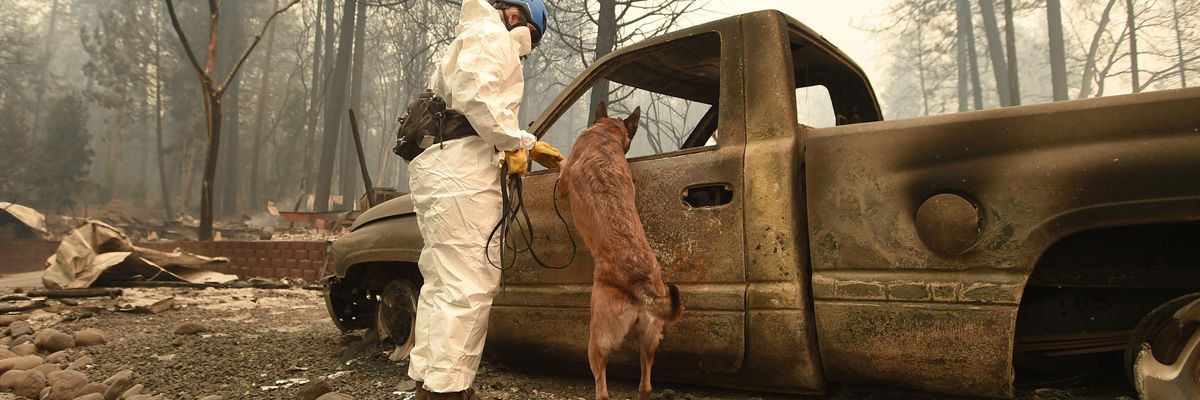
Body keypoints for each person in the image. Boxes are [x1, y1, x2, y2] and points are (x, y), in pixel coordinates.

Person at [407, 0, 562, 398]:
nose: (527, 46)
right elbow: (480, 101)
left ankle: (429, 380)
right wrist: (520, 143)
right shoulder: (492, 36)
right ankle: (447, 390)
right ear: (517, 19)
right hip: (460, 173)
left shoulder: (470, 36)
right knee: (470, 281)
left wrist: (513, 146)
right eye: (530, 36)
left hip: (441, 169)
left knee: (442, 280)